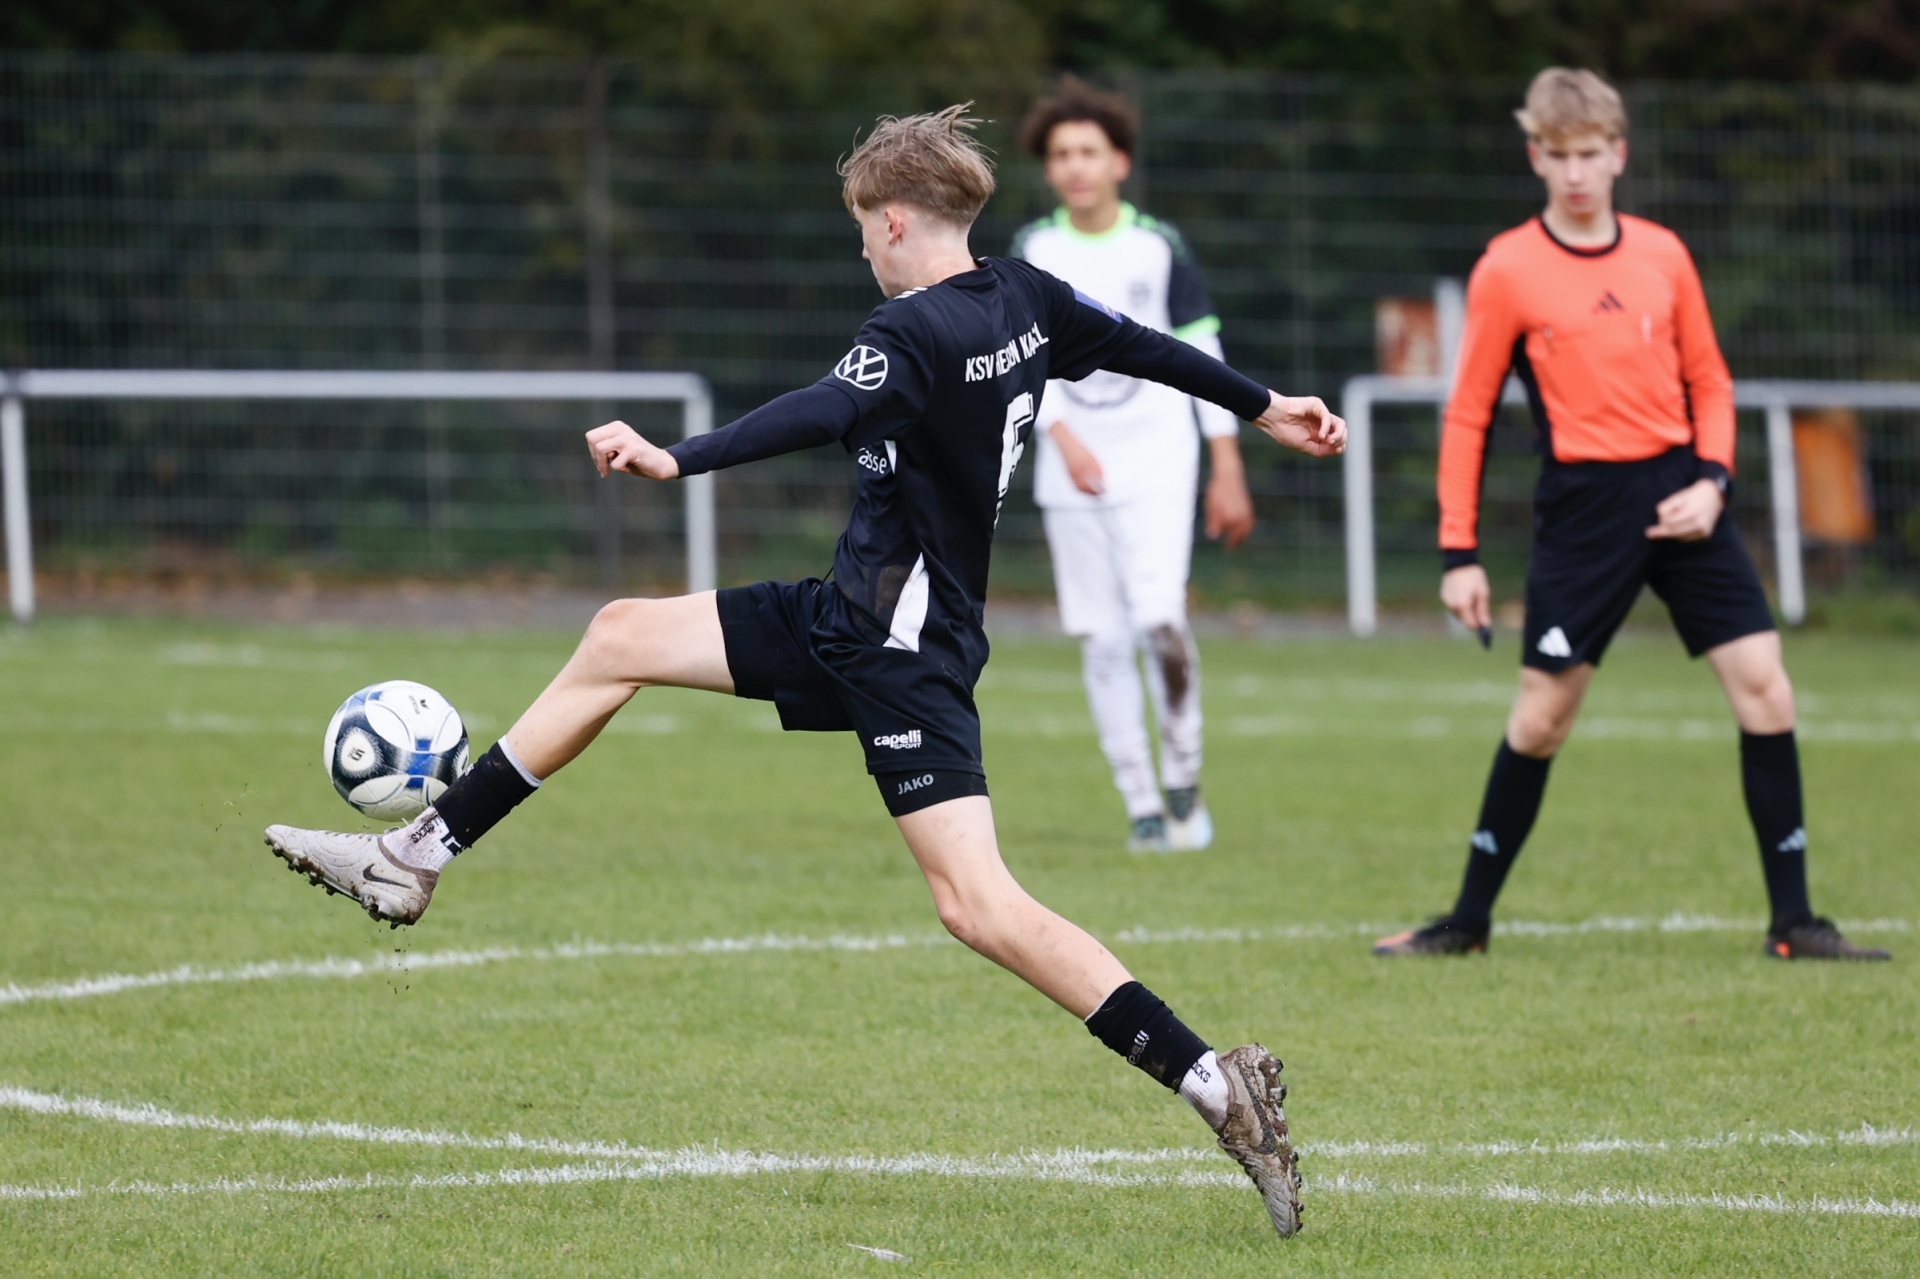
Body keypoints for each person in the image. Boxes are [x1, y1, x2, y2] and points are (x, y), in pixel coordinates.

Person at [264, 105, 1348, 1236]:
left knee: (979, 904)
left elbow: (823, 407)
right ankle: (415, 855)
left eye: (862, 230)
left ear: (895, 220)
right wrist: (1266, 404)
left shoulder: (911, 330)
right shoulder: (1025, 296)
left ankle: (1216, 1084)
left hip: (897, 654)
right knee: (620, 636)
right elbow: (1140, 345)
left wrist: (676, 456)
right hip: (855, 618)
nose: (862, 251)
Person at [1374, 69, 1889, 962]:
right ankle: (1465, 922)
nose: (1576, 173)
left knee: (1767, 686)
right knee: (1543, 719)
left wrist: (1715, 481)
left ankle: (1795, 922)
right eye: (1559, 155)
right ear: (1536, 157)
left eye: (1591, 154)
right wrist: (1460, 551)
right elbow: (1468, 415)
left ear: (1619, 154)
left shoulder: (1664, 254)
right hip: (1585, 510)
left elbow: (1710, 381)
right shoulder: (1508, 268)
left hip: (1687, 496)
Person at [1010, 79, 1254, 853]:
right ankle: (1142, 801)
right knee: (1104, 638)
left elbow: (1202, 350)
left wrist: (1226, 463)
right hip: (1071, 467)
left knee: (1160, 617)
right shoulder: (1033, 251)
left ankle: (1183, 769)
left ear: (1119, 161)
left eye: (1089, 151)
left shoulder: (1158, 246)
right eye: (1061, 154)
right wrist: (1061, 434)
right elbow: (1018, 357)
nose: (1075, 166)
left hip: (1159, 457)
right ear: (1048, 169)